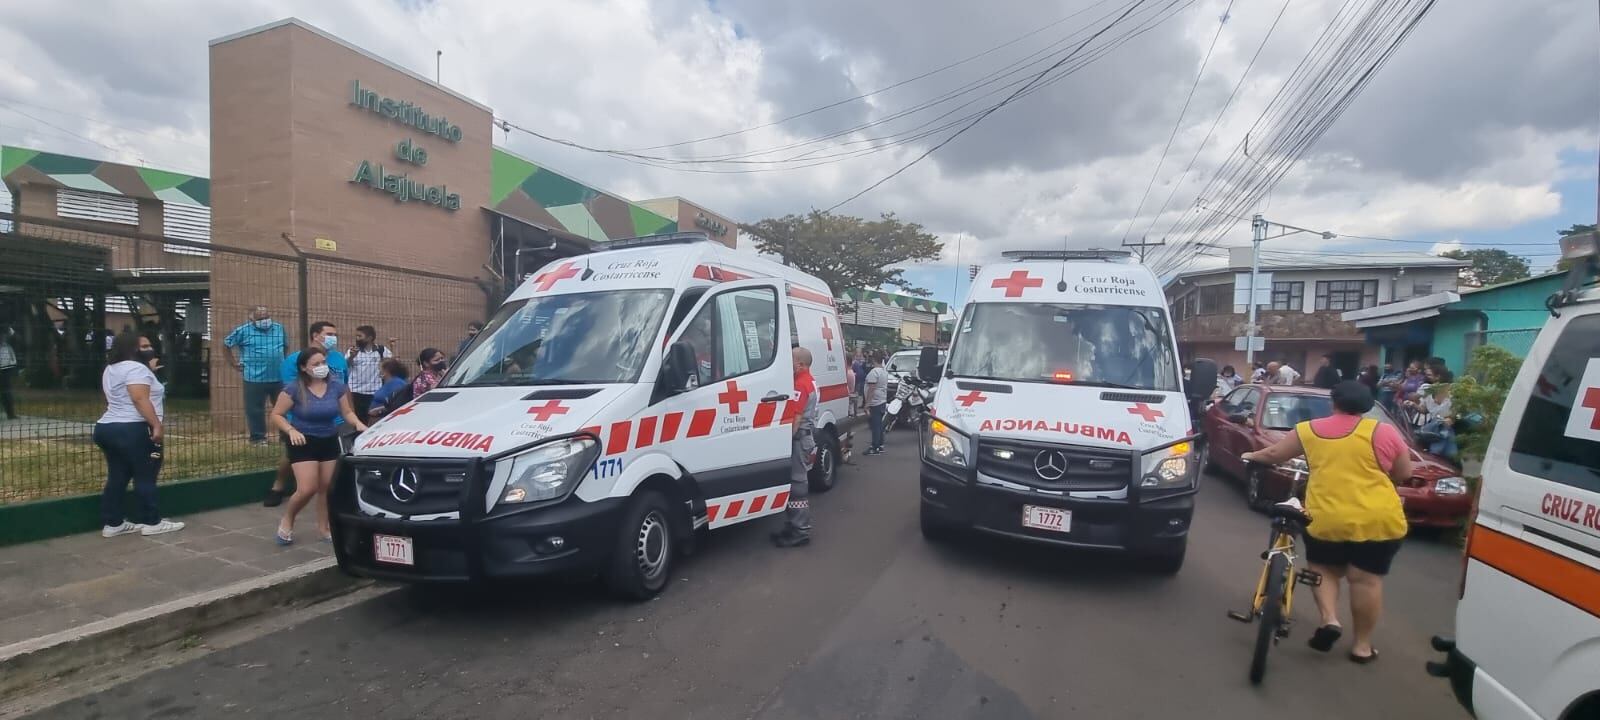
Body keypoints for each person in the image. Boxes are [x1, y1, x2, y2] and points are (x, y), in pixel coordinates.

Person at [1242, 381, 1410, 664]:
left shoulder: (1309, 430)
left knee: (1324, 569)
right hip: (1377, 519)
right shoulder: (1383, 431)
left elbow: (1274, 455)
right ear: (1367, 406)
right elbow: (1403, 473)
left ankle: (1330, 620)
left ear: (1334, 402)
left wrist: (1250, 456)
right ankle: (1362, 647)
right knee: (1366, 580)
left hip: (1327, 517)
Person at [270, 346, 367, 545]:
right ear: (304, 368)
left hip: (329, 439)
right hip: (302, 441)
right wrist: (291, 431)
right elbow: (276, 414)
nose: (321, 367)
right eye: (316, 364)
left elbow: (346, 411)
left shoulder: (336, 386)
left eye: (323, 362)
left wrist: (357, 423)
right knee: (307, 488)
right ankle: (288, 519)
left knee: (326, 487)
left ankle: (324, 528)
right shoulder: (294, 388)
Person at [95, 331, 185, 538]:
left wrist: (149, 371)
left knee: (117, 475)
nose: (149, 349)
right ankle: (151, 521)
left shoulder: (112, 368)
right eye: (144, 346)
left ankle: (113, 523)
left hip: (107, 427)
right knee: (146, 474)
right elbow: (139, 398)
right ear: (132, 348)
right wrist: (156, 425)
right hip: (133, 428)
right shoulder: (136, 368)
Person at [263, 322, 348, 508]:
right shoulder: (294, 360)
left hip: (332, 420)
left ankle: (324, 517)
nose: (334, 337)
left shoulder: (339, 359)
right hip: (300, 421)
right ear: (315, 335)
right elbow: (290, 391)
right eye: (329, 334)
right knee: (291, 457)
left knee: (328, 470)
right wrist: (291, 426)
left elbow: (344, 388)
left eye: (335, 333)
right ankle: (278, 486)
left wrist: (351, 415)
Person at [773, 346, 820, 548]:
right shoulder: (808, 381)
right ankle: (792, 525)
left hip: (799, 439)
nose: (788, 362)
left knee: (797, 484)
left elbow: (797, 417)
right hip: (804, 437)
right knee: (794, 483)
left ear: (800, 364)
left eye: (791, 359)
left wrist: (785, 441)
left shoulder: (801, 385)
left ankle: (800, 530)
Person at [222, 305, 288, 445]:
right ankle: (258, 438)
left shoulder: (279, 328)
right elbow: (226, 344)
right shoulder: (243, 331)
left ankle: (286, 436)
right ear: (251, 319)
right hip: (254, 378)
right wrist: (233, 363)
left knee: (284, 408)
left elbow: (285, 346)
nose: (265, 320)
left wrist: (282, 361)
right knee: (255, 410)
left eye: (267, 317)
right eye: (260, 318)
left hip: (278, 376)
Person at [345, 325, 395, 419]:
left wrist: (391, 347)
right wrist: (352, 356)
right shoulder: (353, 351)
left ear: (370, 338)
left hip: (375, 391)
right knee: (359, 419)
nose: (357, 339)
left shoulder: (381, 350)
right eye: (356, 336)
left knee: (375, 419)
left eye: (360, 336)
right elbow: (346, 365)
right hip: (356, 392)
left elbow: (391, 362)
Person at [864, 352, 890, 455]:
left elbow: (871, 388)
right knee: (879, 425)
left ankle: (874, 447)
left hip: (875, 402)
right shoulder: (884, 372)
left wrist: (867, 403)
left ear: (874, 360)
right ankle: (880, 445)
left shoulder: (874, 372)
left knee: (875, 425)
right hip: (882, 400)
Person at [0, 325, 18, 421]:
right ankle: (10, 413)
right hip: (5, 365)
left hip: (6, 367)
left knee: (6, 391)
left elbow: (15, 338)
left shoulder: (8, 340)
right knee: (6, 391)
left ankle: (10, 413)